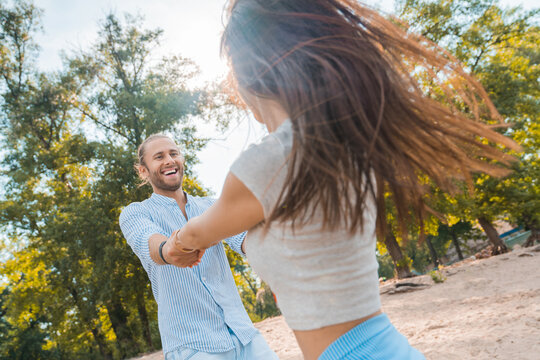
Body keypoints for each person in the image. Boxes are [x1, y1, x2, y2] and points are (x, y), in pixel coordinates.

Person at [171, 1, 518, 359]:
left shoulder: (270, 160)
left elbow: (198, 233)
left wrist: (173, 245)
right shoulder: (346, 144)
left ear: (246, 79)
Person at [118, 134, 278, 360]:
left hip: (244, 335)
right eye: (159, 157)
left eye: (174, 153)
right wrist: (169, 249)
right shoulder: (135, 213)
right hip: (193, 346)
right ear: (143, 171)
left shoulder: (211, 206)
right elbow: (153, 245)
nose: (169, 160)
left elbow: (245, 239)